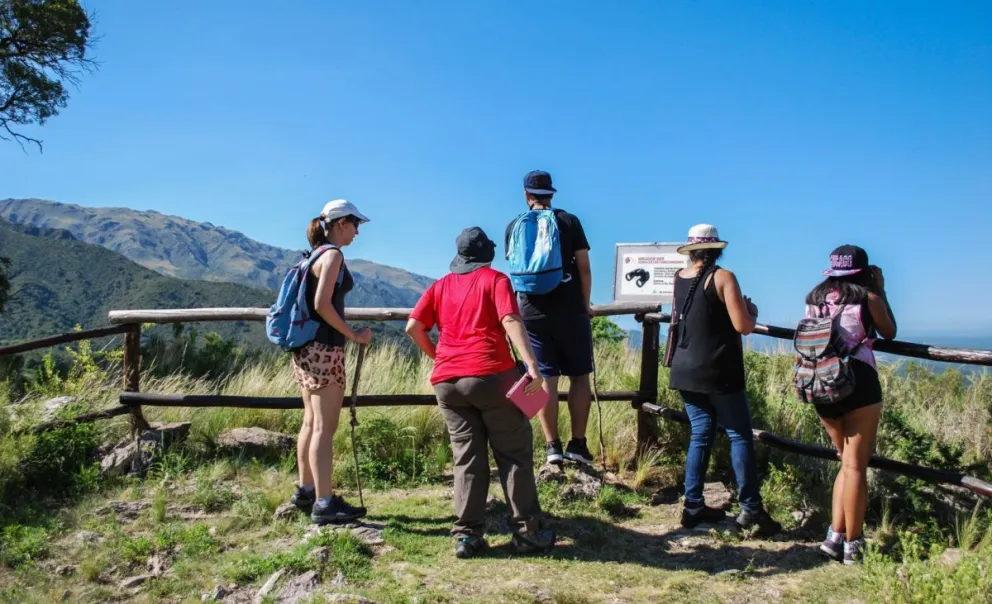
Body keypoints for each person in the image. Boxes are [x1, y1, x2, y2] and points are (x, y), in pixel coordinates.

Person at [406, 227, 556, 559]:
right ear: (487, 254)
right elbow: (510, 319)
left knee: (467, 459)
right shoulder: (496, 280)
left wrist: (438, 356)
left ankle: (467, 537)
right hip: (490, 375)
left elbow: (413, 327)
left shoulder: (440, 285)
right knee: (513, 454)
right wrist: (531, 364)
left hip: (447, 382)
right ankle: (528, 532)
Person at [667, 224, 782, 536]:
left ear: (691, 251)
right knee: (739, 435)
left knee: (700, 434)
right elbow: (743, 325)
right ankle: (751, 509)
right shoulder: (723, 277)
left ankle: (693, 505)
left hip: (684, 368)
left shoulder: (680, 278)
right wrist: (752, 311)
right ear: (718, 249)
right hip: (719, 370)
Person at [807, 245, 896, 565]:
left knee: (845, 461)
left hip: (821, 381)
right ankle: (854, 544)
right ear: (864, 271)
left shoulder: (814, 299)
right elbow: (889, 331)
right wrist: (881, 290)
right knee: (856, 465)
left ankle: (835, 536)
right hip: (858, 383)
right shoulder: (867, 298)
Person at [288, 199, 373, 525]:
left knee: (310, 421)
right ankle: (324, 503)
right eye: (355, 225)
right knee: (325, 427)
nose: (356, 232)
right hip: (326, 348)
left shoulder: (314, 256)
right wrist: (353, 335)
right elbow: (324, 305)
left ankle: (306, 489)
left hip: (307, 349)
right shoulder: (333, 255)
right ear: (341, 223)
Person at [505, 170, 595, 467]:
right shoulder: (569, 221)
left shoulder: (514, 226)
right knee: (580, 375)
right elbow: (583, 268)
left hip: (530, 310)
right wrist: (585, 304)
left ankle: (551, 446)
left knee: (544, 377)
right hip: (569, 307)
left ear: (526, 194)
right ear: (552, 194)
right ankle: (578, 445)